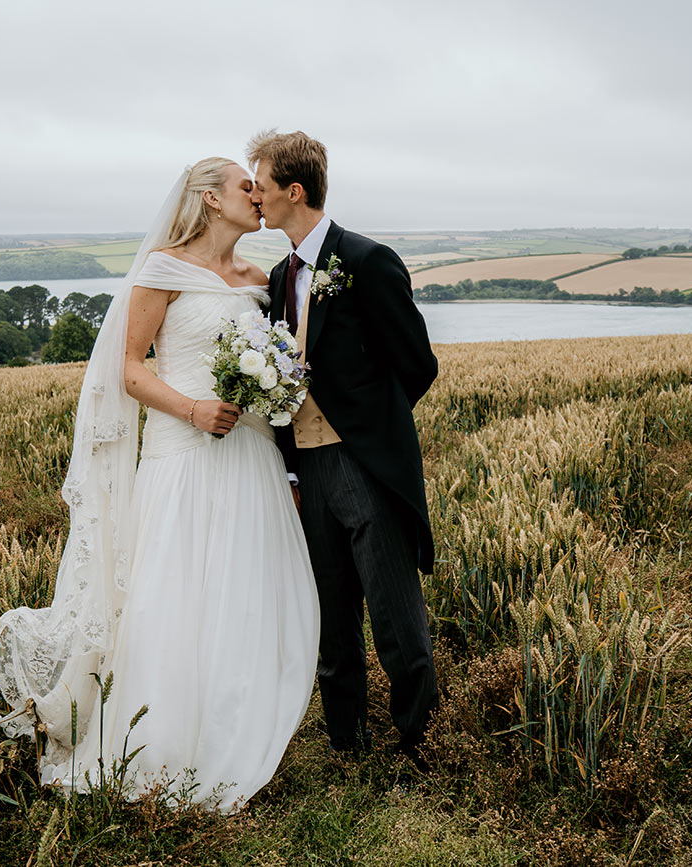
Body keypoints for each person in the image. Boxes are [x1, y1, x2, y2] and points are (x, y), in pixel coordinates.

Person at [0, 158, 320, 811]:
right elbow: (130, 370)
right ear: (210, 198)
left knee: (245, 592)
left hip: (250, 454)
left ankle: (233, 723)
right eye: (245, 186)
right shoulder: (163, 268)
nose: (258, 195)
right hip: (181, 452)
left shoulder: (259, 279)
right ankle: (160, 738)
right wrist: (193, 410)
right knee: (173, 594)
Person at [248, 130, 439, 765]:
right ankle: (346, 745)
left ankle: (419, 743)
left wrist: (368, 429)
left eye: (262, 185)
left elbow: (417, 364)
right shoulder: (281, 276)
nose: (256, 196)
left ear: (294, 191)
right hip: (307, 467)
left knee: (394, 615)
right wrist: (293, 470)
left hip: (364, 462)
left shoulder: (366, 260)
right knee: (331, 616)